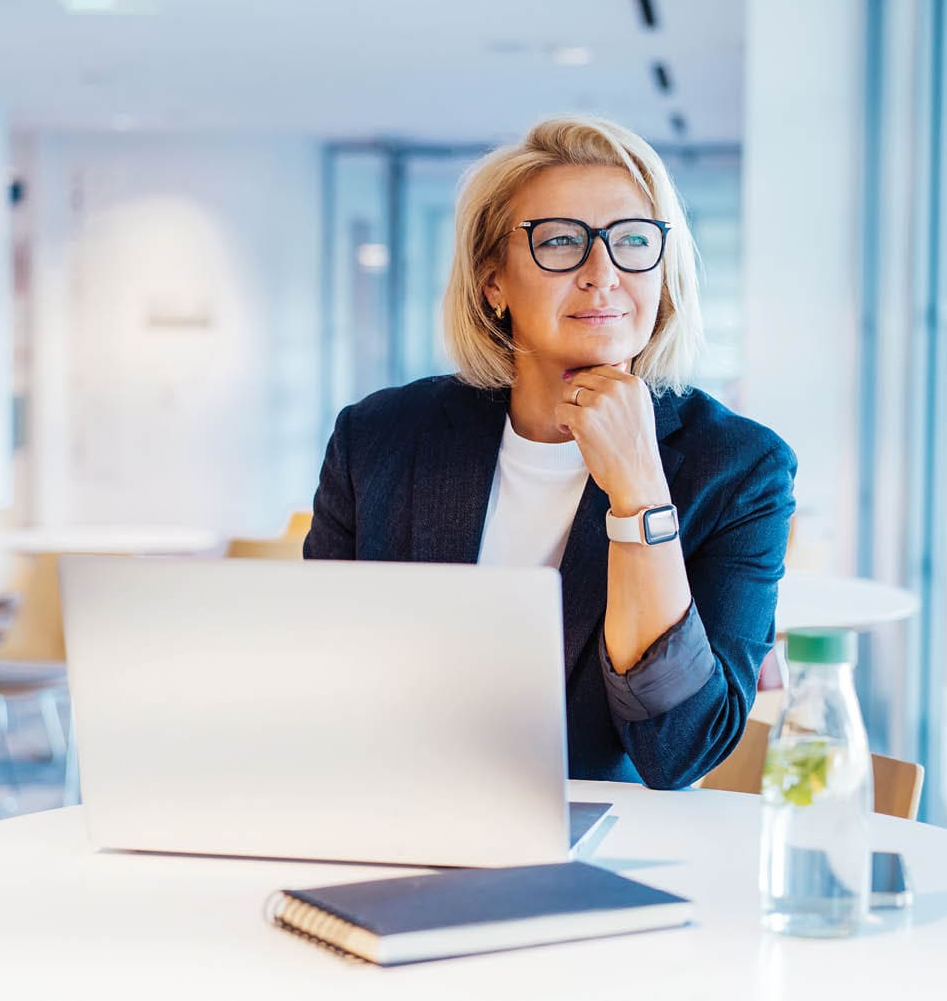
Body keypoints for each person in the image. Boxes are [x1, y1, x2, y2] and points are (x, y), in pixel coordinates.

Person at [304, 116, 796, 789]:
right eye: (561, 242)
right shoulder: (380, 437)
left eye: (631, 242)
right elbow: (317, 673)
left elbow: (679, 750)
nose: (604, 274)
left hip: (608, 844)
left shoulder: (739, 469)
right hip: (393, 809)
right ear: (493, 284)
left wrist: (640, 494)